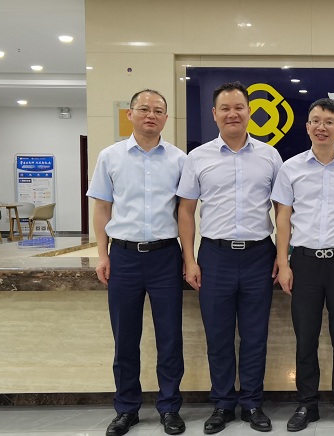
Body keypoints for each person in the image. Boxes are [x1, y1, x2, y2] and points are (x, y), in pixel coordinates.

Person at [177, 82, 283, 434]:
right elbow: (186, 211)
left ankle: (252, 402)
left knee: (255, 336)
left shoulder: (270, 156)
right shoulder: (198, 158)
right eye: (225, 108)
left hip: (259, 255)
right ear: (214, 114)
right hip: (215, 256)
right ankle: (222, 404)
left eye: (239, 107)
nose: (233, 114)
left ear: (249, 112)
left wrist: (283, 256)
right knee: (219, 336)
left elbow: (283, 210)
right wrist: (190, 260)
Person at [87, 89, 187, 436]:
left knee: (170, 338)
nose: (150, 115)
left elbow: (185, 213)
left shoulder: (179, 160)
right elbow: (102, 209)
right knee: (125, 338)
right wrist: (103, 254)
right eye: (144, 109)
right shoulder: (110, 157)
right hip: (124, 257)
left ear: (166, 118)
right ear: (129, 114)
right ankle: (126, 409)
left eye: (158, 111)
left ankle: (170, 408)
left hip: (165, 257)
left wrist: (188, 257)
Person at [271, 98, 334, 433]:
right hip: (304, 262)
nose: (321, 127)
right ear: (307, 127)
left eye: (329, 122)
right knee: (305, 338)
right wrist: (283, 262)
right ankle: (306, 404)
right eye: (315, 121)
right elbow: (282, 218)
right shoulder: (291, 168)